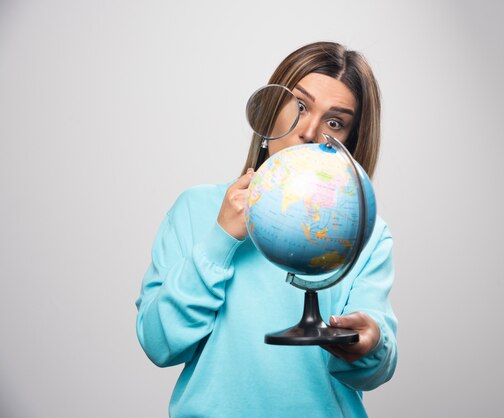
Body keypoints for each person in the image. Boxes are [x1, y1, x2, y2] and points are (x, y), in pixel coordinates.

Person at [135, 41, 398, 417]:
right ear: (271, 108)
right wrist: (220, 239)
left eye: (335, 122)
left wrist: (369, 344)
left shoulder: (365, 234)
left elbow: (374, 366)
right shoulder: (195, 209)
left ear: (350, 143)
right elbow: (159, 344)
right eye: (301, 106)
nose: (310, 131)